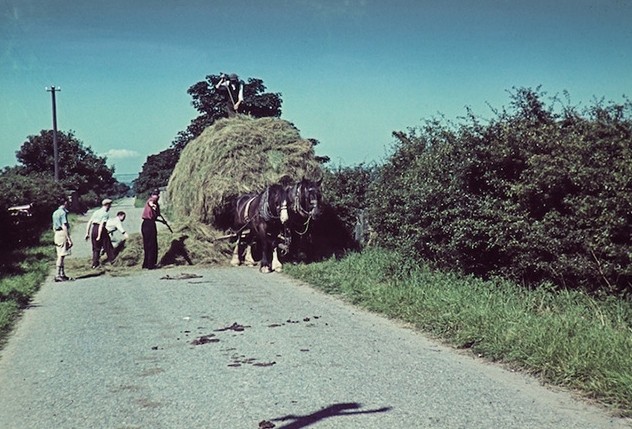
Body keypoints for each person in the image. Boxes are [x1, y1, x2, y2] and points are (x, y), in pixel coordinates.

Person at [85, 198, 113, 269]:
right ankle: (112, 260)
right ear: (107, 205)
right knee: (108, 245)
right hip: (100, 230)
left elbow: (89, 222)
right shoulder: (105, 214)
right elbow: (101, 225)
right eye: (110, 205)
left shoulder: (96, 212)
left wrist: (87, 233)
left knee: (95, 248)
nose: (110, 207)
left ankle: (95, 264)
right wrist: (99, 236)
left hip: (93, 229)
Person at [52, 198, 73, 282]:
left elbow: (54, 226)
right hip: (61, 233)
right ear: (65, 202)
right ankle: (57, 275)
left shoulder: (55, 213)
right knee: (61, 255)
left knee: (60, 254)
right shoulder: (63, 212)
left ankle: (62, 274)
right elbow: (64, 225)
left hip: (57, 234)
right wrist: (68, 238)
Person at [141, 189, 162, 269]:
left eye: (157, 194)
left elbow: (154, 217)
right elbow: (151, 203)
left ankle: (146, 264)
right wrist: (153, 206)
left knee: (149, 244)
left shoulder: (156, 203)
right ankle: (150, 265)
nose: (156, 196)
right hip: (148, 225)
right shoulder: (151, 200)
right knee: (151, 244)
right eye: (155, 194)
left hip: (148, 224)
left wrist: (161, 220)